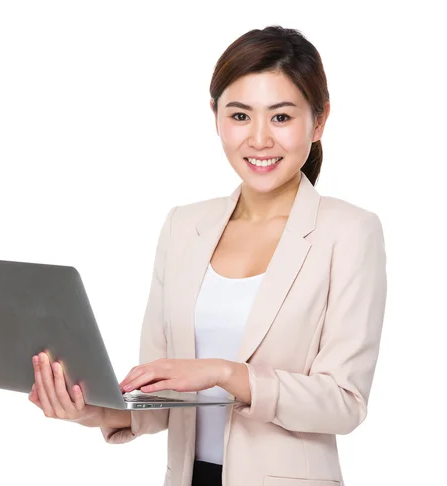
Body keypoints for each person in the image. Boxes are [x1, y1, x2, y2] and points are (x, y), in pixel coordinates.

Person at [28, 25, 387, 486]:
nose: (258, 139)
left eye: (281, 117)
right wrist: (88, 408)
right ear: (216, 116)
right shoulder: (183, 227)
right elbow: (160, 398)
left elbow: (344, 402)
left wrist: (222, 373)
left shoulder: (350, 232)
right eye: (240, 116)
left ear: (318, 121)